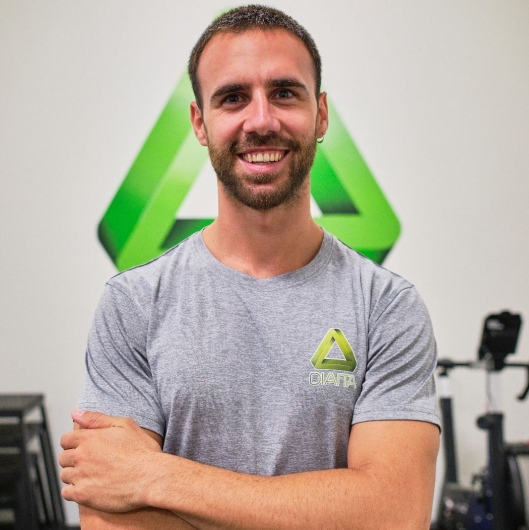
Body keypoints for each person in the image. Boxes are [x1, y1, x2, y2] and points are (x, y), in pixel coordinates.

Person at [59, 5, 440, 529]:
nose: (261, 120)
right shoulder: (134, 304)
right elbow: (110, 518)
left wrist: (155, 476)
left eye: (284, 93)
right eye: (233, 97)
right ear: (200, 123)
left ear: (321, 114)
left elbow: (394, 514)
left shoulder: (387, 308)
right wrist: (332, 508)